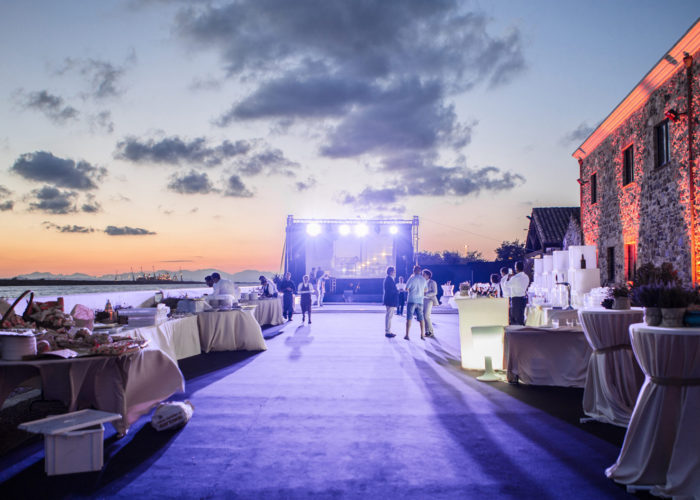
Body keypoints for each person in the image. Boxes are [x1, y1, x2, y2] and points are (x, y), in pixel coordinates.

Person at [404, 265, 427, 340]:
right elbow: (425, 290)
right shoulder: (423, 279)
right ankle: (422, 335)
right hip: (420, 301)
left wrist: (410, 290)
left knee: (409, 318)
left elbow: (406, 288)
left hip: (411, 300)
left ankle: (407, 335)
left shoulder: (412, 278)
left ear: (414, 270)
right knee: (421, 318)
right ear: (420, 271)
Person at [383, 266, 398, 338]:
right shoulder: (389, 279)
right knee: (389, 316)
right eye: (394, 271)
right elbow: (389, 290)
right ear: (391, 272)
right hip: (390, 300)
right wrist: (396, 291)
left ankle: (388, 331)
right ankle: (388, 332)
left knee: (389, 316)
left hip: (389, 299)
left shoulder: (389, 279)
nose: (395, 273)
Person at [422, 269, 438, 337]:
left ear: (428, 275)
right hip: (422, 300)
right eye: (422, 274)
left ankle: (431, 332)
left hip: (429, 300)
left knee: (426, 316)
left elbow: (435, 292)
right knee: (424, 316)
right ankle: (427, 331)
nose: (422, 276)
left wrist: (426, 294)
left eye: (424, 274)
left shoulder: (432, 282)